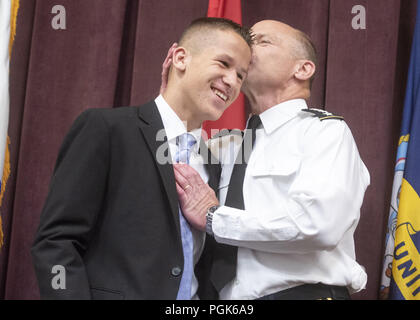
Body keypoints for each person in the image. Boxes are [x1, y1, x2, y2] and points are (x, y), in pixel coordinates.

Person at [31, 17, 252, 300]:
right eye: (223, 63)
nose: (232, 81)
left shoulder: (216, 164)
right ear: (181, 58)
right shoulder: (107, 129)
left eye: (241, 75)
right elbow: (56, 242)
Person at [171, 20, 370, 300]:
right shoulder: (223, 145)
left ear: (302, 69)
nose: (246, 47)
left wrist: (216, 218)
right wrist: (176, 90)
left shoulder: (325, 131)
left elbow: (318, 225)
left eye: (261, 41)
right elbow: (163, 162)